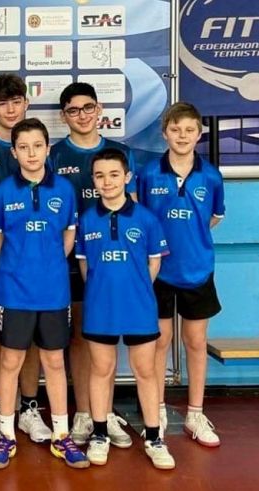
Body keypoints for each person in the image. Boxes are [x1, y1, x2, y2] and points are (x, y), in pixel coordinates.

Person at [0, 119, 88, 470]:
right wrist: (22, 267)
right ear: (14, 152)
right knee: (10, 361)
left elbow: (68, 238)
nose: (31, 153)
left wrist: (47, 265)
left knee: (54, 361)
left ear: (48, 149)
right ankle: (5, 434)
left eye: (37, 146)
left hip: (54, 291)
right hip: (13, 291)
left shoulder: (64, 190)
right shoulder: (3, 192)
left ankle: (61, 435)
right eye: (23, 147)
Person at [76, 148, 175, 470]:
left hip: (139, 308)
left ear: (127, 177)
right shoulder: (86, 219)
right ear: (93, 180)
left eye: (114, 175)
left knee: (145, 371)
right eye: (100, 176)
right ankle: (100, 433)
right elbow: (86, 267)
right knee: (101, 370)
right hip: (100, 308)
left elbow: (154, 264)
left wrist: (135, 288)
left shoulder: (146, 219)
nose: (107, 182)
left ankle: (154, 437)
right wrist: (103, 291)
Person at [49, 82, 137, 447]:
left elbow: (132, 208)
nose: (82, 115)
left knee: (106, 338)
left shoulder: (120, 153)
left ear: (99, 110)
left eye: (88, 108)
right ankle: (84, 413)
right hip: (69, 262)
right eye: (73, 110)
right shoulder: (54, 155)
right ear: (64, 116)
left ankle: (106, 412)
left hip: (112, 263)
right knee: (80, 337)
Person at [0, 74, 51, 444]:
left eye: (16, 101)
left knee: (30, 333)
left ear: (26, 102)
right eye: (3, 103)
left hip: (35, 261)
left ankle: (30, 407)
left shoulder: (41, 147)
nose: (11, 109)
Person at [137, 102, 225, 446]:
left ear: (199, 134)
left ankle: (195, 413)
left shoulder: (211, 176)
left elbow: (213, 218)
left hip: (198, 269)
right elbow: (142, 218)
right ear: (164, 133)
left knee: (196, 342)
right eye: (175, 130)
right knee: (159, 342)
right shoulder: (149, 173)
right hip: (159, 270)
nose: (182, 136)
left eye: (189, 130)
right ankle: (156, 409)